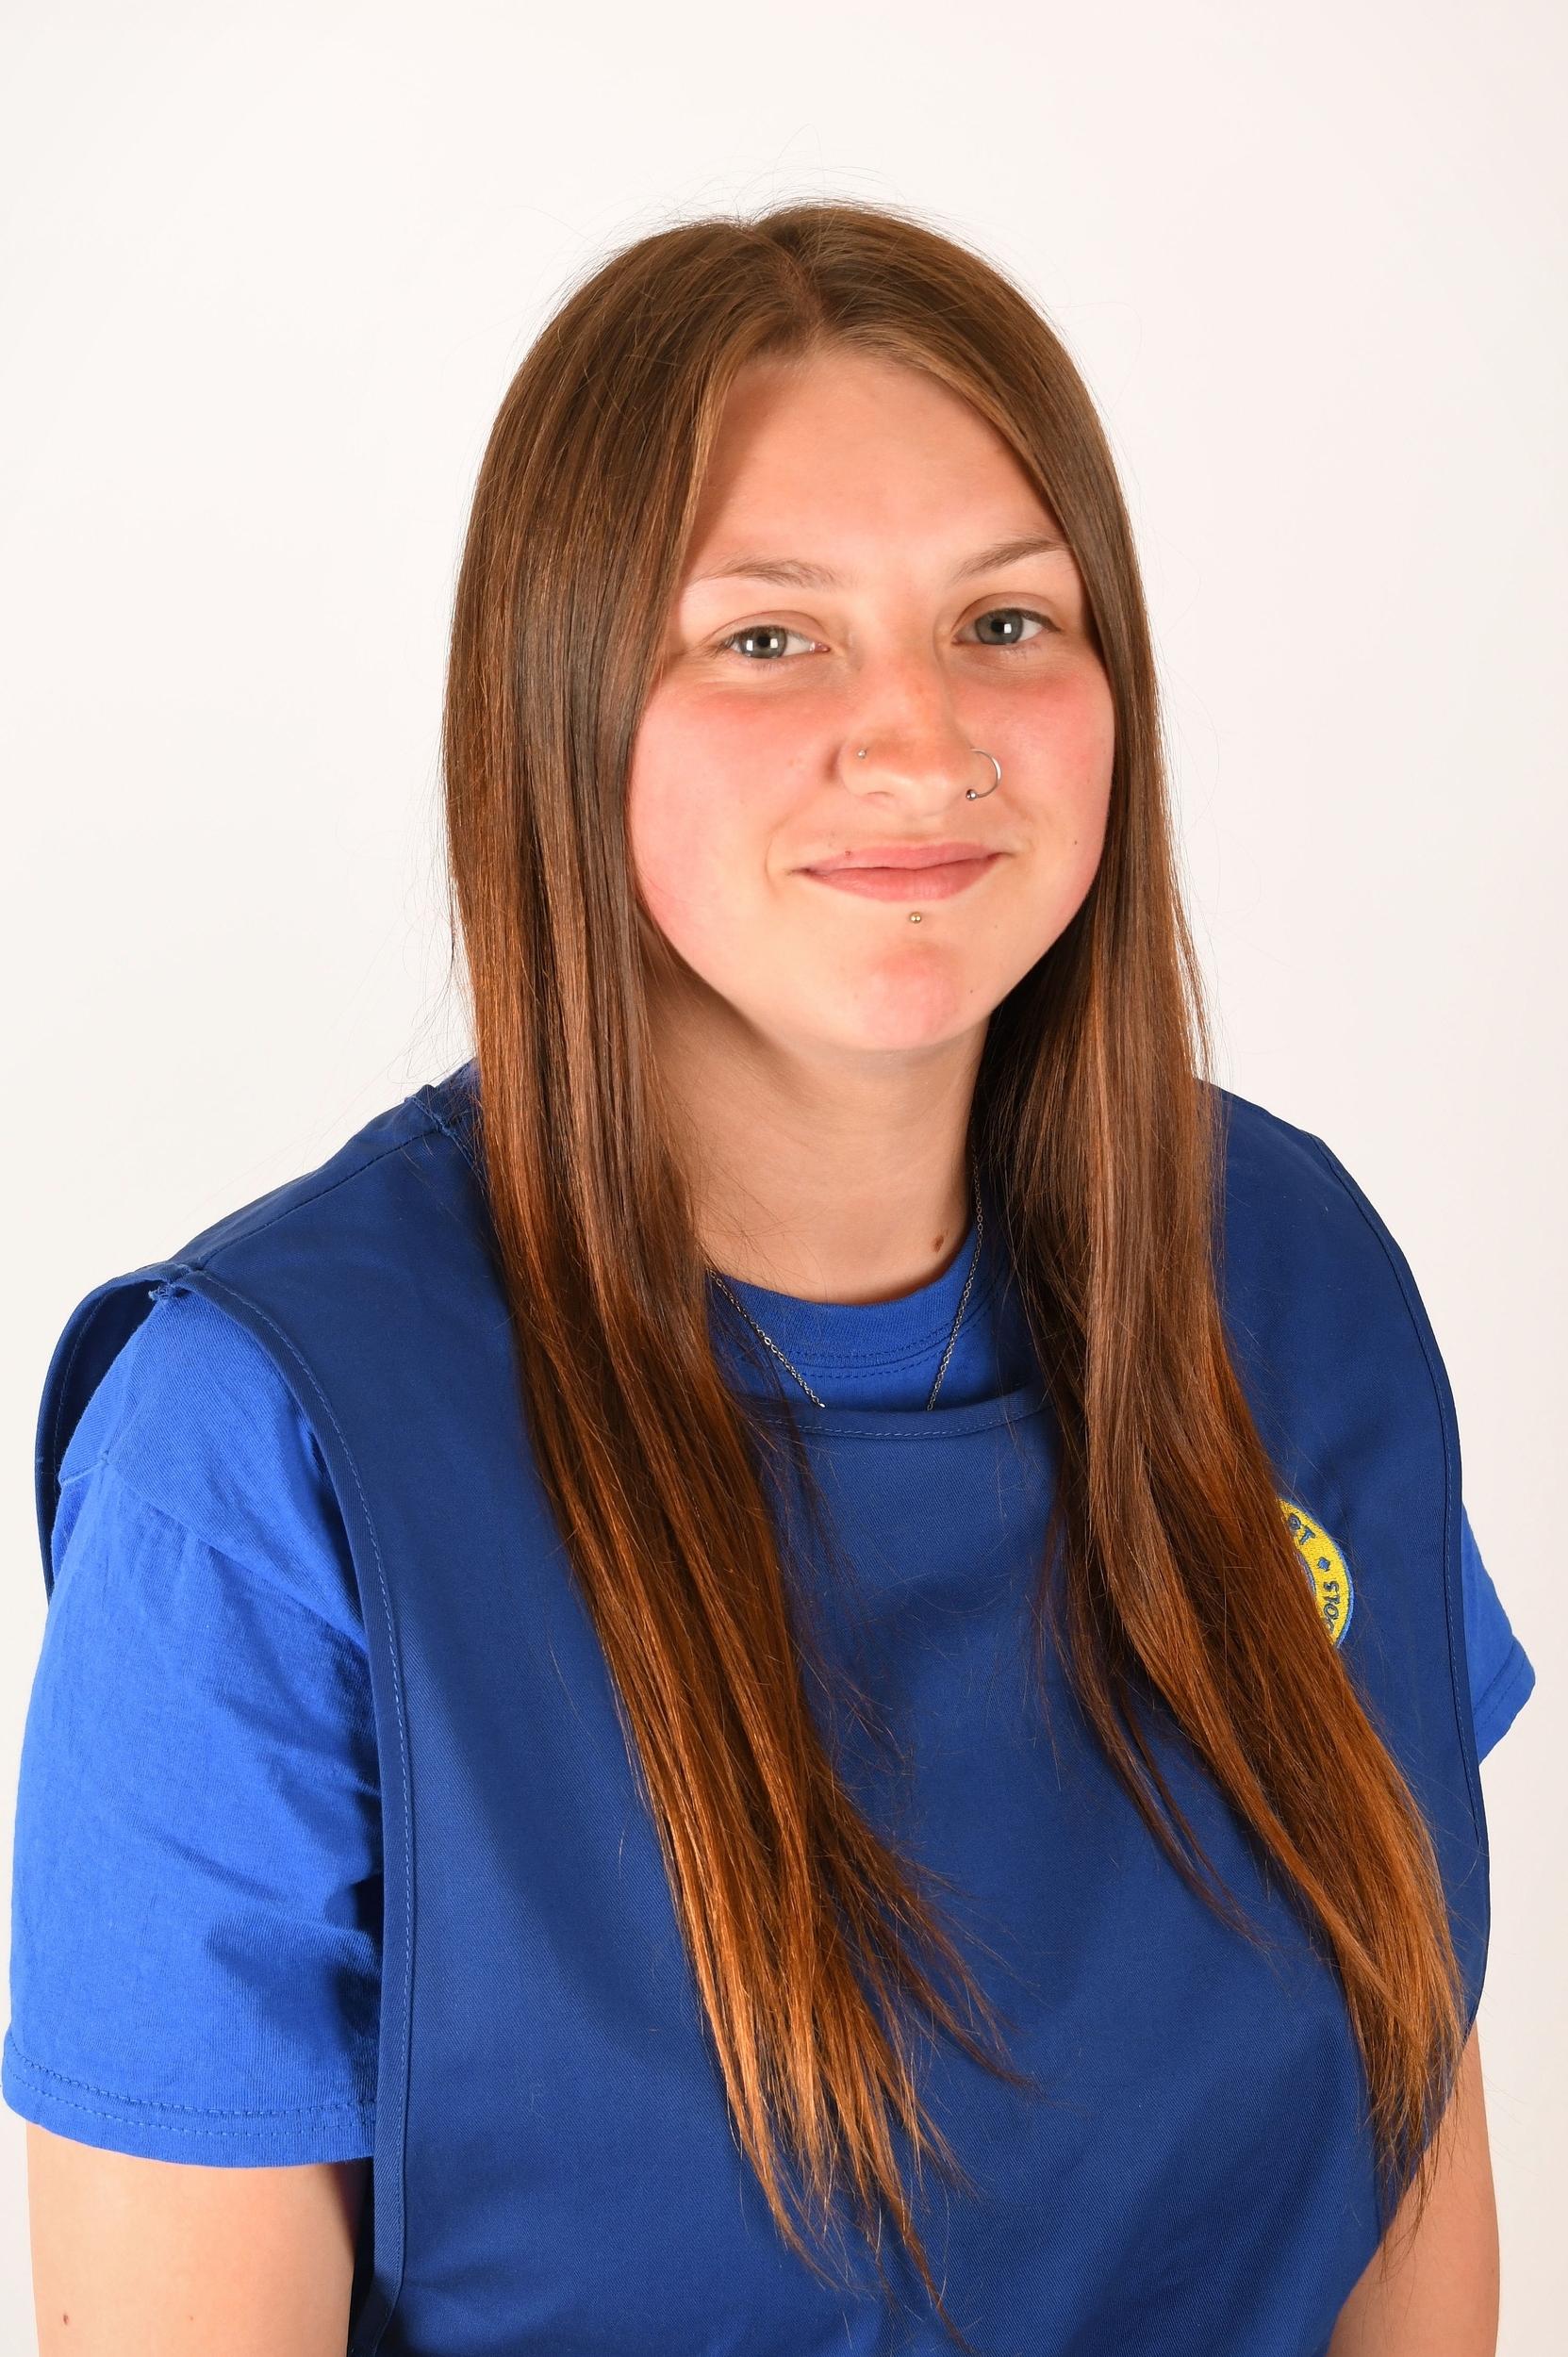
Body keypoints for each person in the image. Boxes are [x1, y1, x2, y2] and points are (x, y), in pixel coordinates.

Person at [7, 205, 1534, 2357]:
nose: (922, 739)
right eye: (767, 637)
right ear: (557, 703)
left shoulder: (1288, 1274)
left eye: (1007, 619)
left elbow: (1404, 2118)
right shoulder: (261, 1449)